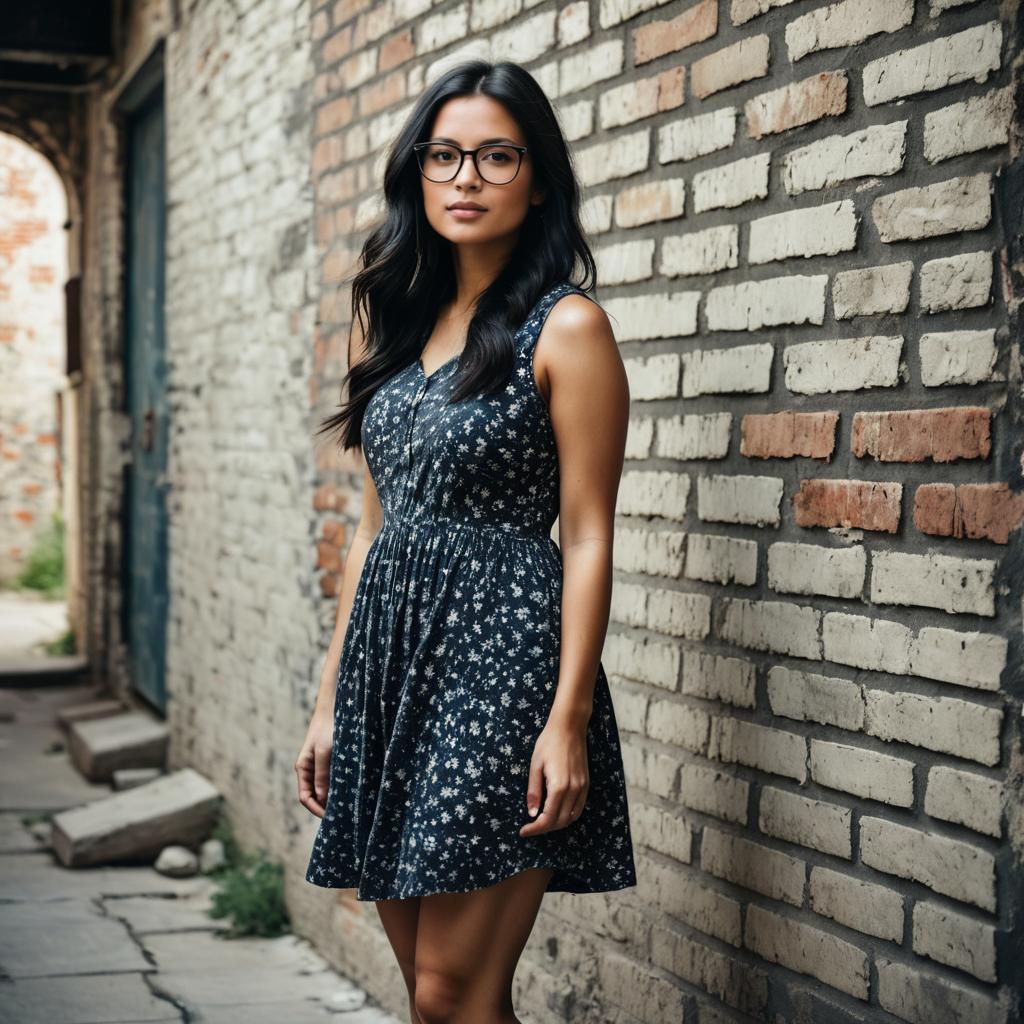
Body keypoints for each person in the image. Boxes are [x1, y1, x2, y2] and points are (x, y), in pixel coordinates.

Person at [295, 58, 637, 1024]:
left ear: (537, 178)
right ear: (417, 173)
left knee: (455, 990)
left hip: (504, 667)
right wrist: (330, 702)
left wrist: (565, 719)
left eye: (497, 156)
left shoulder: (564, 329)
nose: (467, 178)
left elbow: (590, 533)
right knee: (430, 993)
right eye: (445, 156)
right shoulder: (394, 324)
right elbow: (372, 534)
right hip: (396, 666)